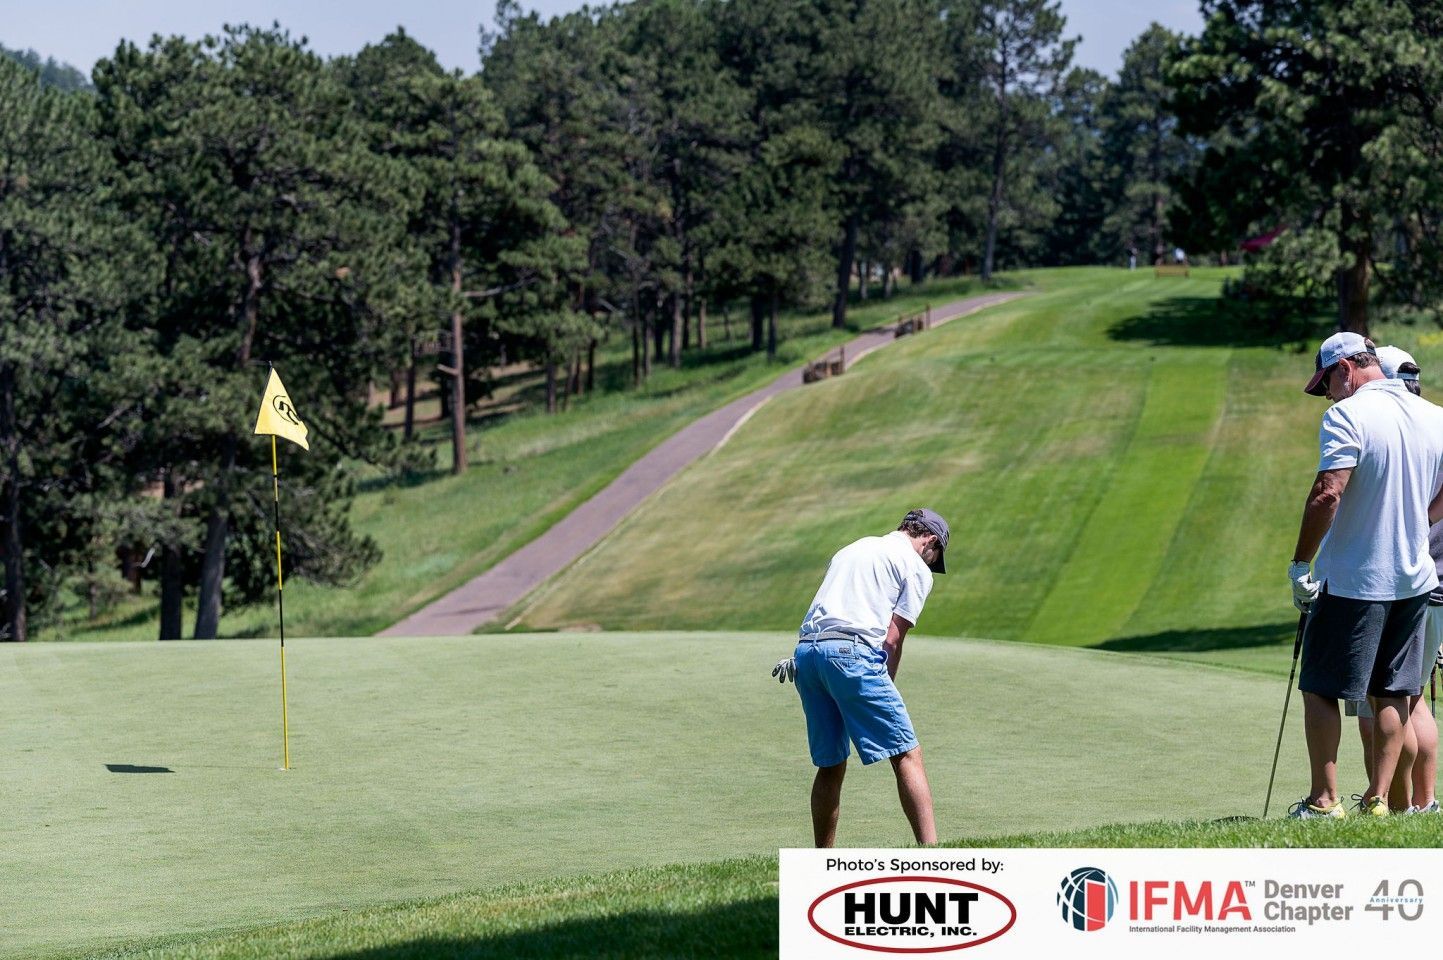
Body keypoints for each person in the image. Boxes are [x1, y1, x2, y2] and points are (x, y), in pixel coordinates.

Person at [1288, 333, 1443, 818]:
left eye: (1327, 384)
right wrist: (1417, 523)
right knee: (1394, 691)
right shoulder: (1434, 415)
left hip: (1354, 577)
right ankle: (1377, 801)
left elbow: (1327, 494)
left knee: (1320, 687)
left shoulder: (1347, 415)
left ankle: (1323, 801)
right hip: (1413, 578)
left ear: (1346, 369)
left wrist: (1300, 564)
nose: (1328, 396)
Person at [772, 509, 948, 846]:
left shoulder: (852, 549)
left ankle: (822, 862)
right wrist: (885, 683)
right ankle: (933, 855)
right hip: (851, 657)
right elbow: (893, 639)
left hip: (806, 655)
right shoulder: (915, 568)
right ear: (931, 541)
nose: (931, 566)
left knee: (831, 764)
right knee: (907, 754)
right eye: (934, 558)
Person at [1343, 345, 1443, 813]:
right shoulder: (1431, 423)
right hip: (1432, 585)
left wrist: (1414, 523)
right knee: (1413, 699)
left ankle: (1395, 806)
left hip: (1403, 586)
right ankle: (1422, 805)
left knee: (1383, 703)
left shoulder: (1391, 429)